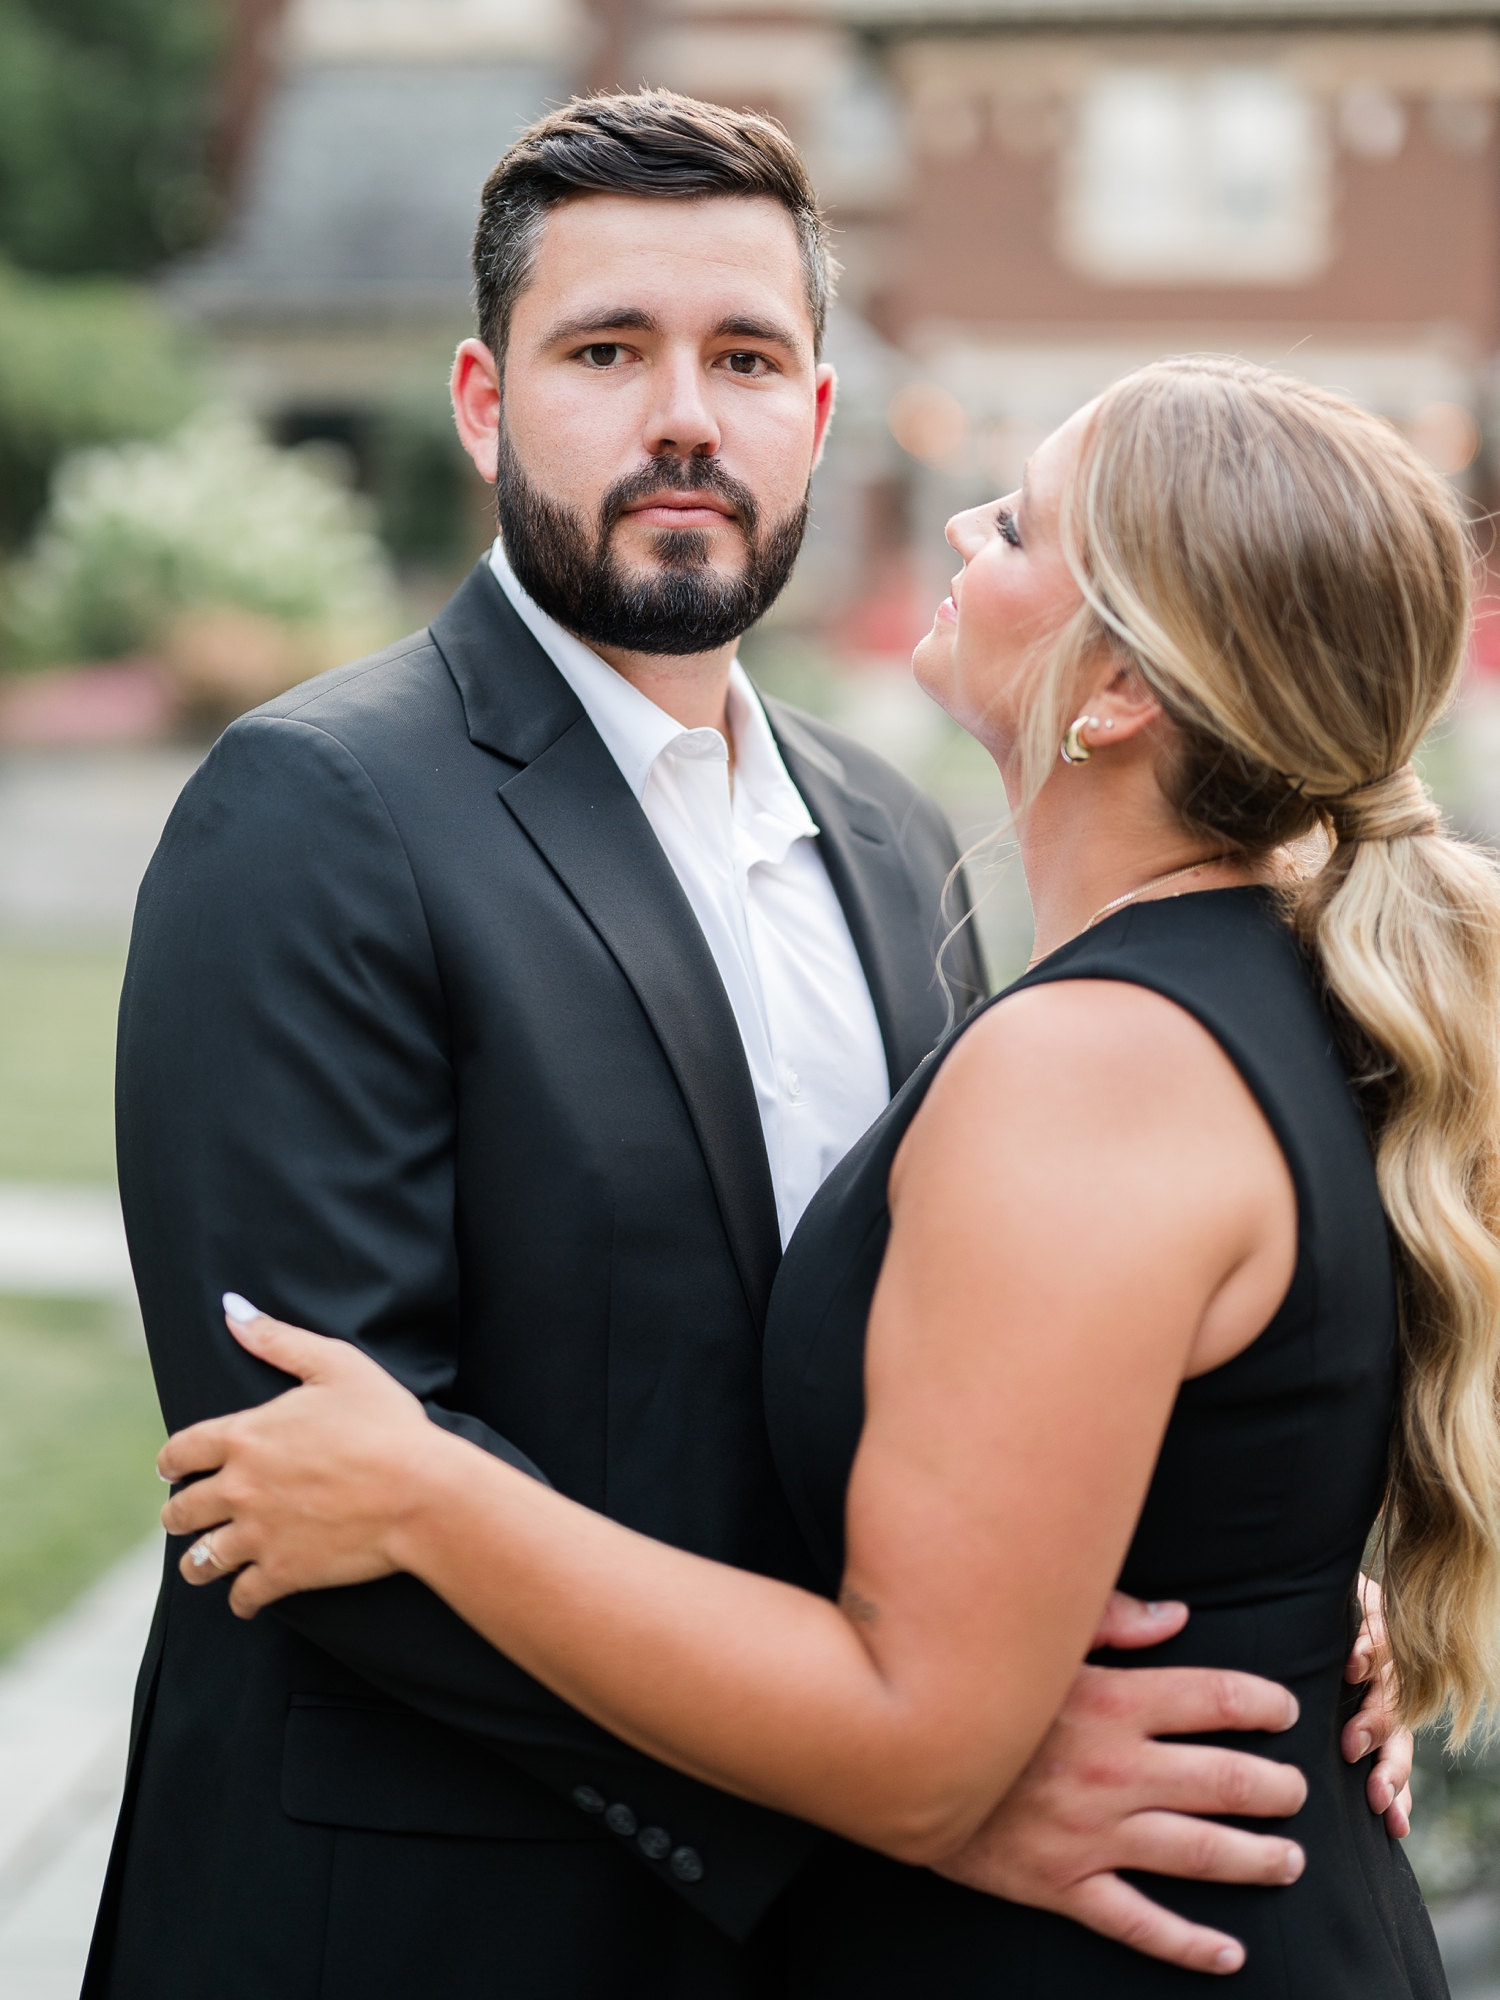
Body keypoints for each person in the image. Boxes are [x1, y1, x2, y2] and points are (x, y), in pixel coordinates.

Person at [93, 87, 1408, 1999]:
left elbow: (996, 1359)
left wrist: (1232, 1576)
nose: (682, 414)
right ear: (484, 403)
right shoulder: (311, 810)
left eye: (745, 355)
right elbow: (310, 1473)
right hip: (416, 1923)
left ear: (815, 412)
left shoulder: (895, 834)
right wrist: (916, 1790)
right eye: (606, 352)